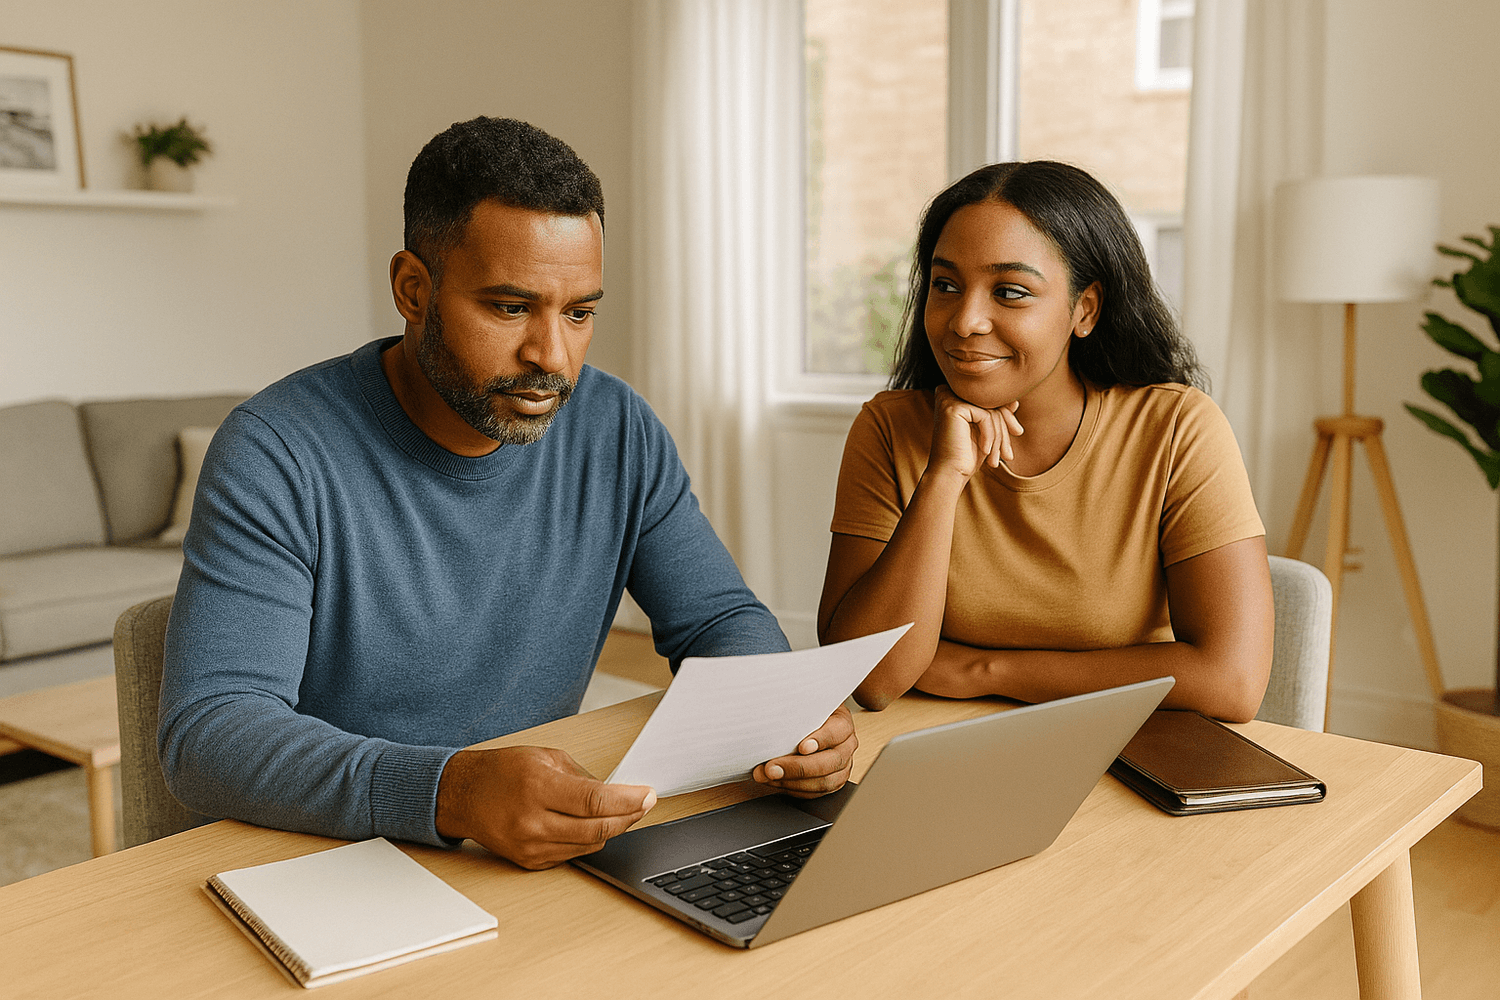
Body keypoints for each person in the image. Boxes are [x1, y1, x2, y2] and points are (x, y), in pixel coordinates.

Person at [159, 117, 856, 870]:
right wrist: (446, 791)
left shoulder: (616, 427)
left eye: (580, 312)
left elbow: (718, 617)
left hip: (536, 853)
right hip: (333, 856)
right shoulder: (277, 450)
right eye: (509, 307)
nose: (551, 356)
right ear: (413, 289)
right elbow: (210, 732)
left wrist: (784, 714)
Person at [818, 161, 1273, 721]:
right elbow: (871, 677)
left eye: (1009, 292)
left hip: (1125, 748)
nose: (965, 321)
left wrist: (984, 671)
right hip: (936, 748)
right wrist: (943, 479)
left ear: (1085, 309)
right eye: (946, 285)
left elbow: (1232, 682)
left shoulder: (1176, 429)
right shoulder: (888, 430)